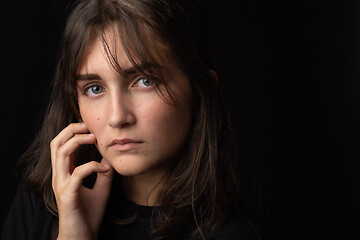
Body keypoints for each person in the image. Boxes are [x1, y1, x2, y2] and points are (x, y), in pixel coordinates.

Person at [2, 0, 261, 239]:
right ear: (75, 101)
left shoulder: (228, 234)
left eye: (144, 81)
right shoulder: (47, 198)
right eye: (94, 88)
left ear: (200, 91)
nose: (117, 117)